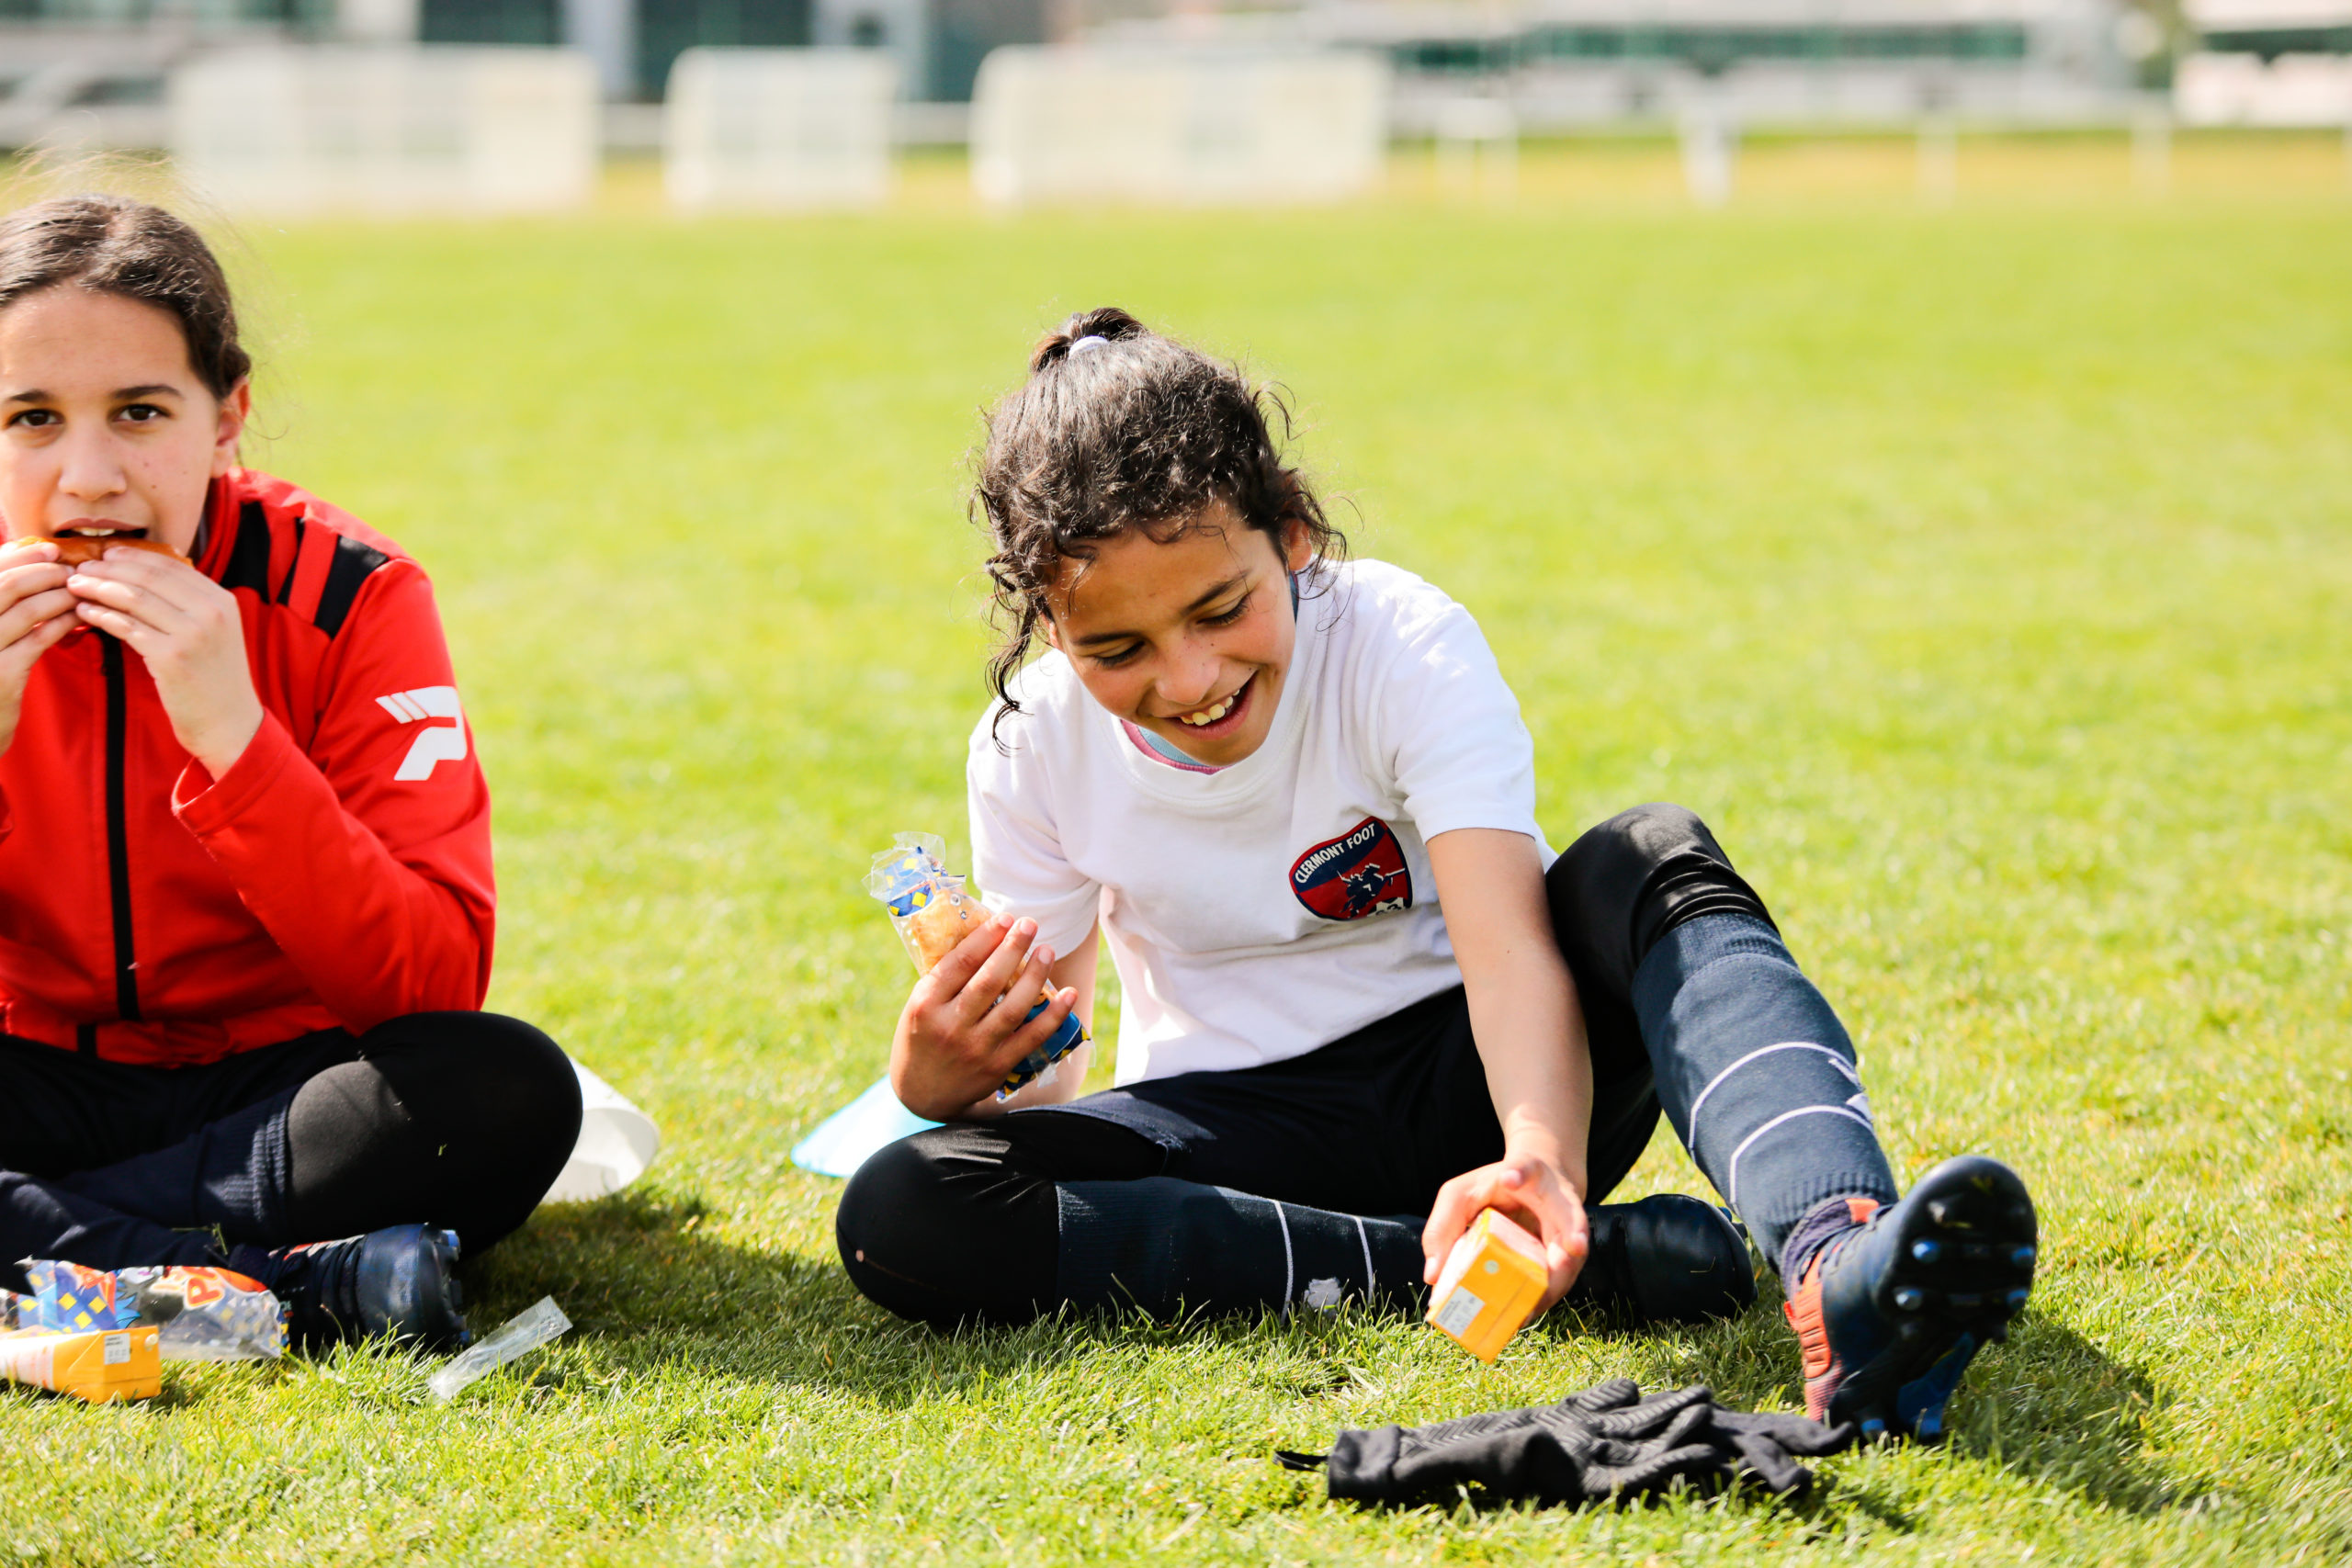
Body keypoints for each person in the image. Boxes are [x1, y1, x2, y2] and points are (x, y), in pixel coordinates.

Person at [837, 308, 2040, 1442]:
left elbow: (1511, 945)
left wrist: (1537, 1160)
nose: (1188, 675)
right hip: (1243, 1137)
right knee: (906, 1202)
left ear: (1292, 534)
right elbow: (1052, 1086)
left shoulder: (1400, 641)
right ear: (1052, 627)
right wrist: (941, 1077)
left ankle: (1841, 1261)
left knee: (1649, 855)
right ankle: (1500, 1268)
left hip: (1478, 1064)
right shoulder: (1028, 742)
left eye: (1220, 607)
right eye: (1117, 647)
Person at [0, 193, 581, 1347]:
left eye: (140, 412)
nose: (90, 477)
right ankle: (294, 1286)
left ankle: (60, 1249)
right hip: (34, 1080)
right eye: (31, 419)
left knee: (505, 1089)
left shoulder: (352, 594)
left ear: (228, 416)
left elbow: (427, 986)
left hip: (276, 1090)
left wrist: (237, 742)